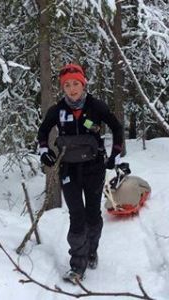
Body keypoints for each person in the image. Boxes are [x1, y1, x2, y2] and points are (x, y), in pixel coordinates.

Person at [37, 63, 124, 283]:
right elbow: (43, 131)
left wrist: (115, 155)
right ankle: (78, 265)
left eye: (76, 83)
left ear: (83, 84)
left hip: (94, 168)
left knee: (93, 215)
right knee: (77, 215)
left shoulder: (96, 106)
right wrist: (44, 151)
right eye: (67, 85)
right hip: (69, 169)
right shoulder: (57, 110)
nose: (72, 88)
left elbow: (117, 127)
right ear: (63, 88)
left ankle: (91, 251)